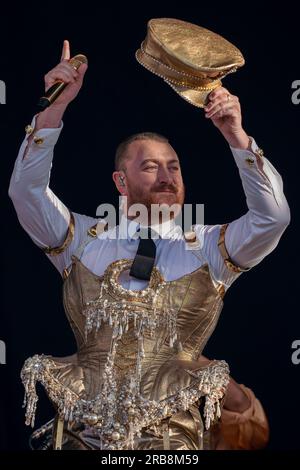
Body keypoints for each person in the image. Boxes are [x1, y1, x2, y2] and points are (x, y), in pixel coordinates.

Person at [8, 40, 290, 450]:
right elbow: (26, 194)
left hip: (171, 447)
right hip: (80, 440)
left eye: (173, 166)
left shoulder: (209, 247)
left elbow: (273, 218)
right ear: (120, 183)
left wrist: (236, 135)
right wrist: (53, 110)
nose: (166, 176)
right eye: (150, 166)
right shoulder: (82, 241)